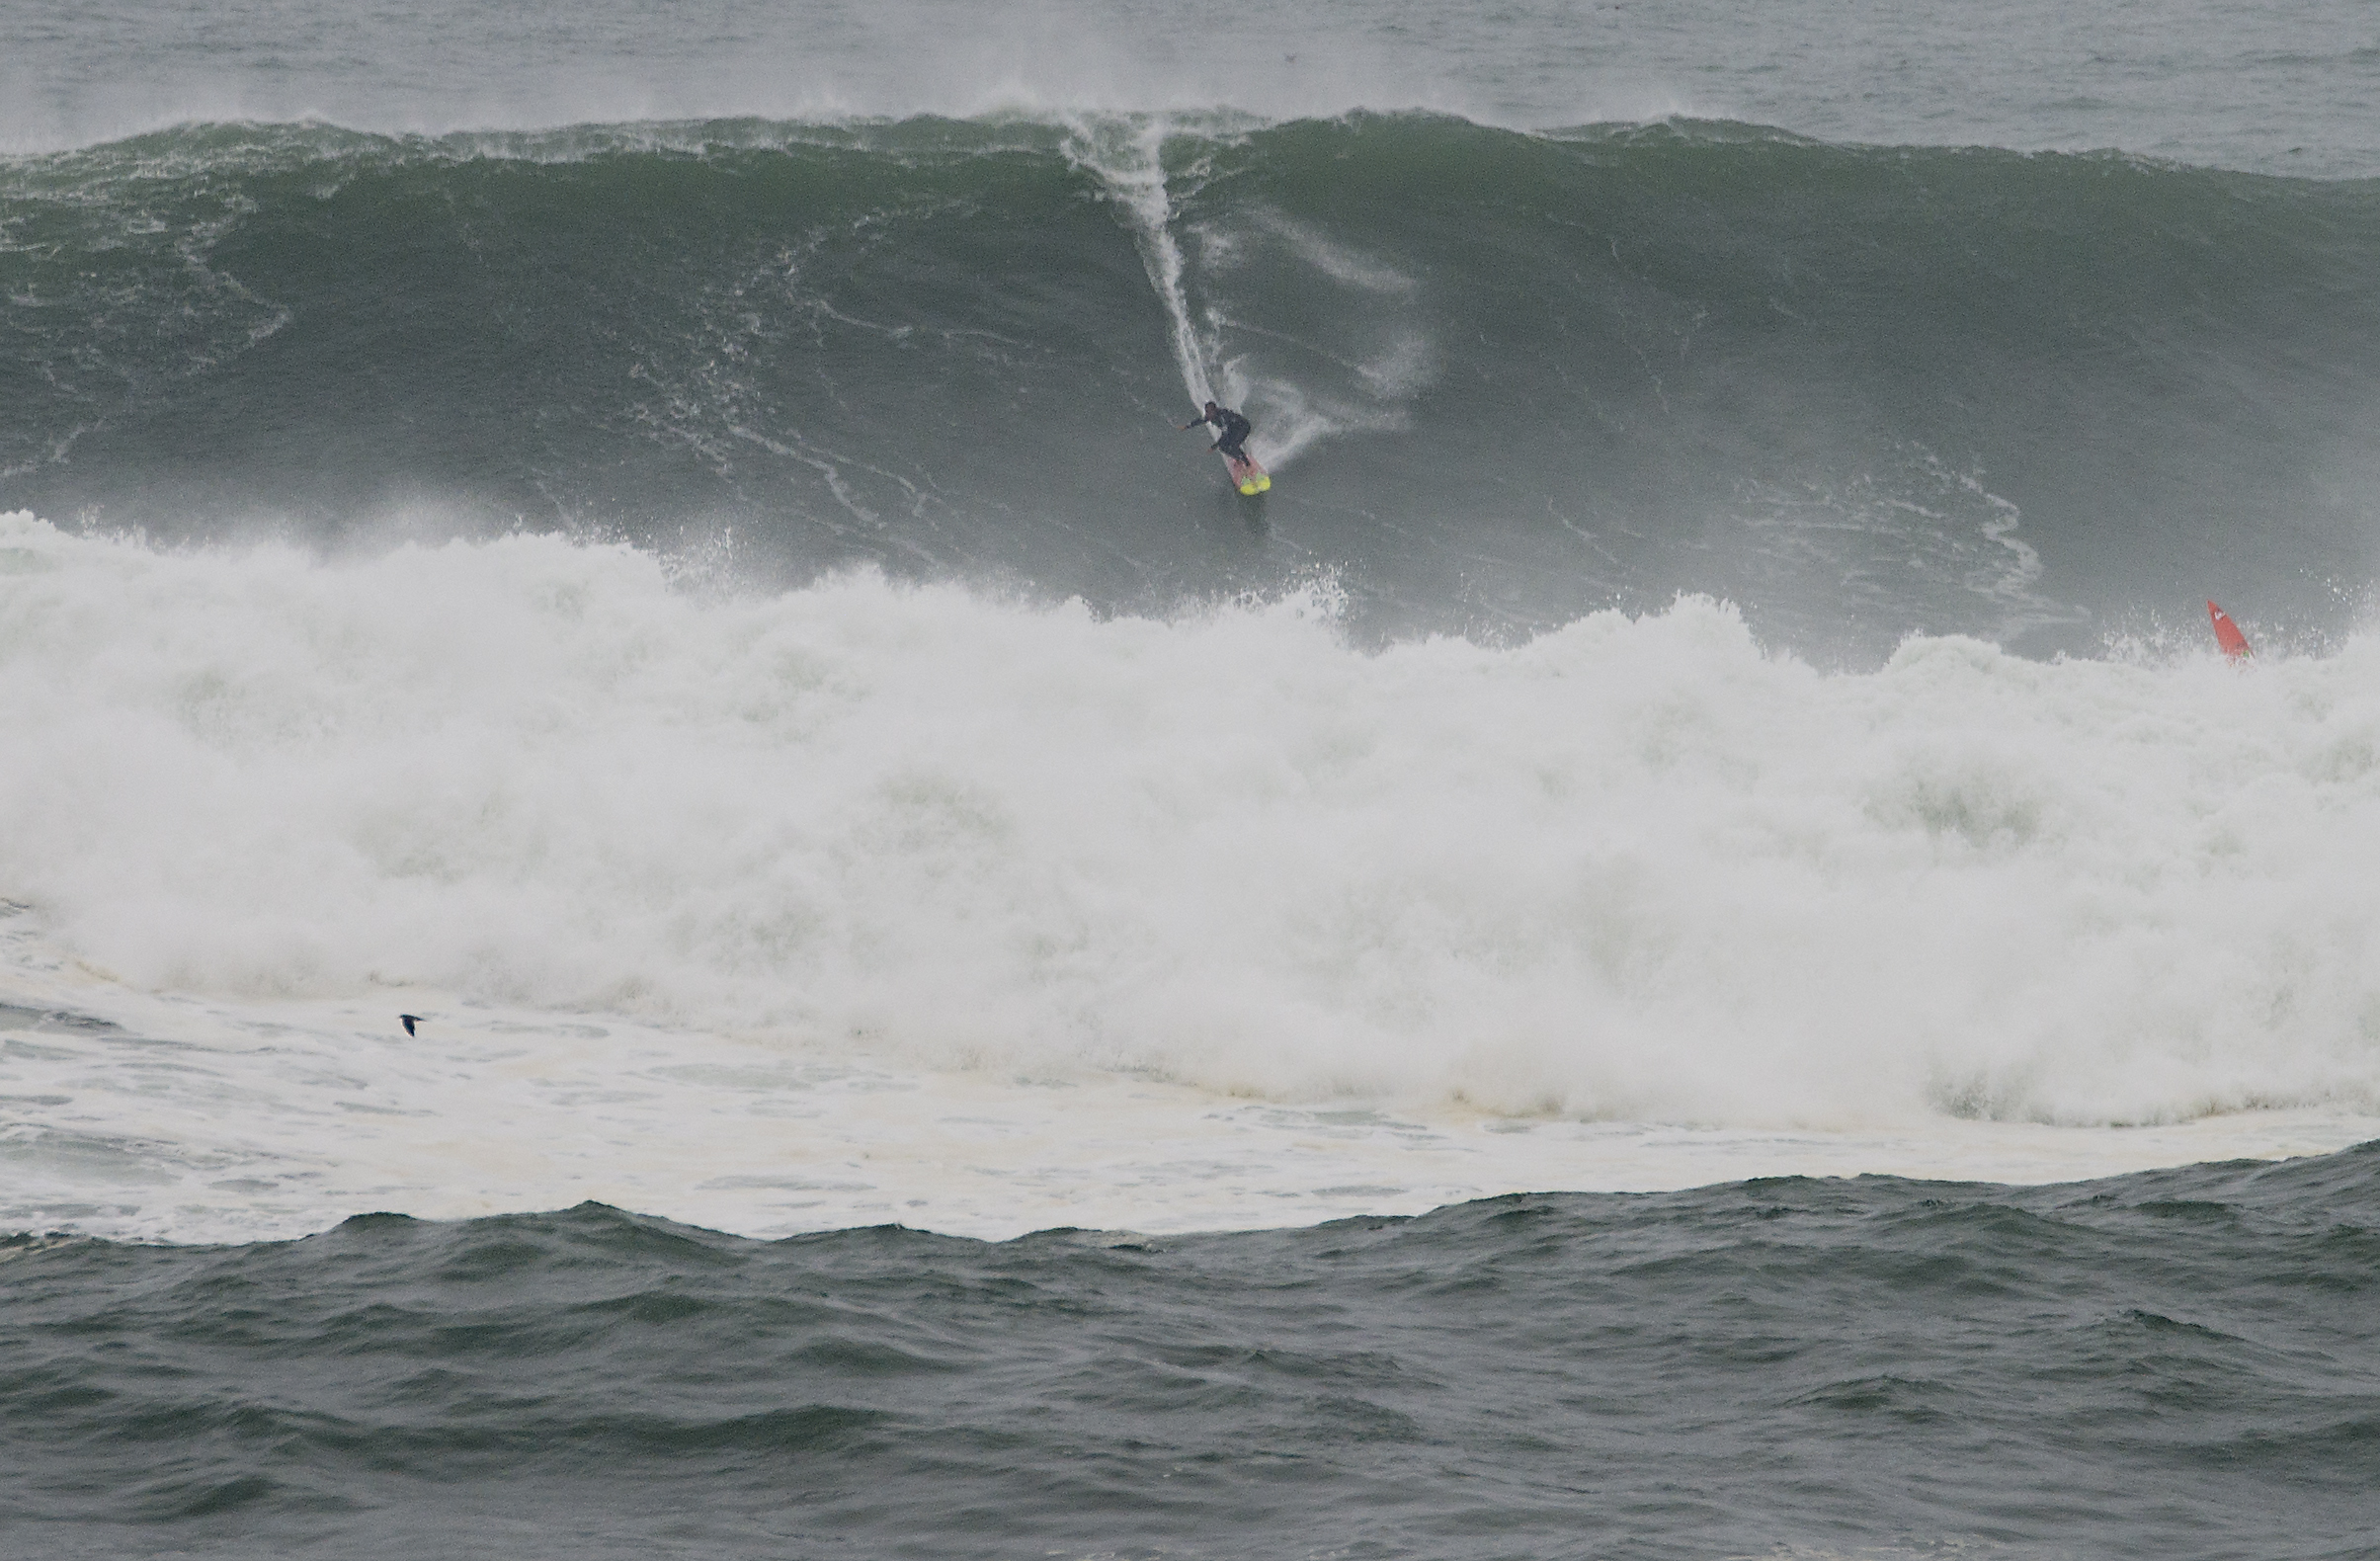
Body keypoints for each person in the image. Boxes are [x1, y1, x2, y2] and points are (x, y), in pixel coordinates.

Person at [1182, 399, 1255, 464]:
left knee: (1233, 445)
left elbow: (1225, 435)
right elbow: (1200, 420)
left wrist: (1214, 447)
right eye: (1207, 412)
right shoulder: (1210, 416)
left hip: (1243, 427)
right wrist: (1187, 426)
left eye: (1210, 412)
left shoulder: (1223, 417)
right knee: (1223, 447)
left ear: (1215, 410)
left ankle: (1247, 464)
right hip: (1233, 429)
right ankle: (1239, 458)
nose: (1208, 414)